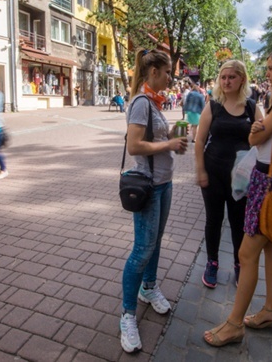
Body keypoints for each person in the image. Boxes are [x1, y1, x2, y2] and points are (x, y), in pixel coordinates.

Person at [203, 45, 272, 347]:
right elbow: (257, 132)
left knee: (246, 254)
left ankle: (234, 324)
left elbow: (255, 137)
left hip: (268, 178)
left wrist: (256, 131)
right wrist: (257, 129)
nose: (268, 72)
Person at [120, 49, 188, 353]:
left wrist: (172, 134)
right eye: (167, 72)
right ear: (153, 73)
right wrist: (169, 143)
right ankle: (127, 314)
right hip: (149, 186)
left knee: (156, 243)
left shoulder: (156, 104)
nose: (170, 77)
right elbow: (135, 146)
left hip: (164, 183)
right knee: (142, 249)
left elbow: (155, 140)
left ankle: (149, 288)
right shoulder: (140, 103)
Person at [195, 60, 262, 289]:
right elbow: (200, 140)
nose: (226, 82)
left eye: (231, 77)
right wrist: (200, 170)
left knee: (238, 223)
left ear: (242, 79)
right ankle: (212, 262)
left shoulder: (252, 107)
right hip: (213, 172)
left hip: (241, 178)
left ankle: (239, 263)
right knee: (213, 220)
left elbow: (262, 140)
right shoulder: (213, 105)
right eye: (223, 78)